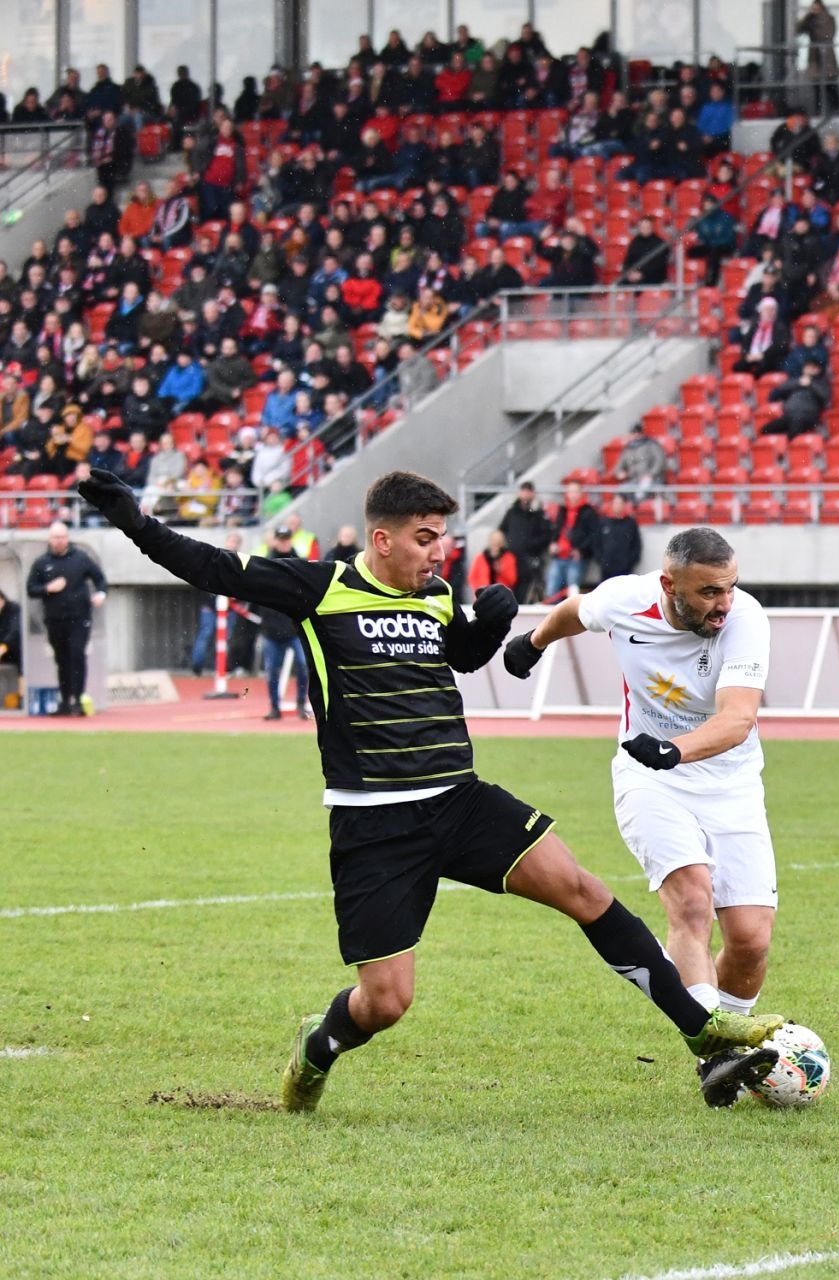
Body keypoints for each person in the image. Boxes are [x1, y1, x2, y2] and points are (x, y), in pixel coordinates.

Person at [71, 468, 784, 1112]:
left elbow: (460, 657)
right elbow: (211, 567)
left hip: (461, 801)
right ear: (381, 540)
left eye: (442, 537)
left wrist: (492, 625)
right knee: (386, 1002)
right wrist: (133, 521)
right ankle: (317, 1049)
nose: (437, 552)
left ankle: (702, 1029)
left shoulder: (437, 596)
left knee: (585, 891)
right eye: (424, 539)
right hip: (375, 823)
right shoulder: (320, 589)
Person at [499, 528, 784, 1107]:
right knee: (692, 902)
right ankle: (716, 1054)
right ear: (668, 584)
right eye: (707, 592)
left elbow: (737, 719)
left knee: (751, 940)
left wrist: (677, 748)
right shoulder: (626, 599)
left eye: (729, 588)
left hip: (729, 782)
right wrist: (532, 642)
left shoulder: (746, 619)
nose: (722, 604)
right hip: (647, 777)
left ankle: (731, 1038)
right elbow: (575, 611)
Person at [26, 521, 109, 716]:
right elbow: (31, 589)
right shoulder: (42, 562)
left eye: (62, 537)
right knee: (61, 659)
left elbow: (100, 579)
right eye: (55, 537)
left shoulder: (81, 558)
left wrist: (101, 594)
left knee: (77, 654)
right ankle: (65, 700)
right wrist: (47, 588)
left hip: (79, 618)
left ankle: (78, 699)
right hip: (55, 619)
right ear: (49, 539)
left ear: (67, 538)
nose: (59, 541)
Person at [253, 525, 311, 722]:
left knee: (304, 666)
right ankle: (275, 707)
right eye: (281, 539)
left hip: (295, 628)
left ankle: (301, 704)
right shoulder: (265, 564)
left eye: (287, 539)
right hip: (271, 629)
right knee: (272, 671)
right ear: (276, 540)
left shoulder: (300, 564)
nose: (284, 543)